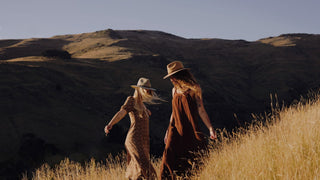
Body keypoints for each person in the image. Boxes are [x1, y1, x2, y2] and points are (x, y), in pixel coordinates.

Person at [160, 61, 217, 179]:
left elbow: (201, 110)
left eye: (173, 76)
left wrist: (210, 128)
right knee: (168, 158)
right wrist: (167, 130)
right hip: (175, 129)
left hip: (190, 128)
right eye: (170, 77)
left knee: (194, 156)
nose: (171, 79)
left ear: (181, 75)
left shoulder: (195, 88)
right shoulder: (174, 90)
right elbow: (173, 112)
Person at [105, 77, 162, 180]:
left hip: (143, 141)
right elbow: (121, 112)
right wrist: (111, 124)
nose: (148, 91)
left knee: (139, 172)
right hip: (134, 139)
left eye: (149, 90)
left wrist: (146, 112)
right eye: (146, 89)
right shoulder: (131, 100)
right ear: (139, 89)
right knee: (148, 170)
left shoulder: (143, 106)